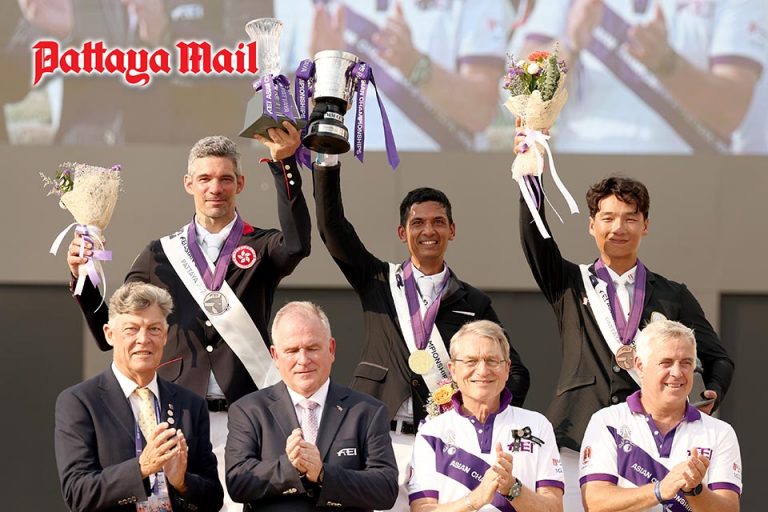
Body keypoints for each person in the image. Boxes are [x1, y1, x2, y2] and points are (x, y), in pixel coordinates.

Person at [67, 126, 311, 511]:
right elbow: (110, 330)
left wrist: (285, 166)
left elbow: (297, 245)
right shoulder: (160, 254)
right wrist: (84, 277)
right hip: (182, 415)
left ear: (240, 184)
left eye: (225, 179)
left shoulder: (262, 245)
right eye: (205, 179)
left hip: (248, 411)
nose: (215, 188)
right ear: (189, 184)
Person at [313, 154, 530, 509]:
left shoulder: (473, 301)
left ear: (452, 230)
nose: (428, 231)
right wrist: (326, 160)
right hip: (379, 439)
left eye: (438, 222)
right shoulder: (377, 281)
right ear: (403, 233)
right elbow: (332, 228)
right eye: (418, 223)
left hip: (444, 444)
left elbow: (515, 372)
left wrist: (482, 414)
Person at [516, 169, 734, 512]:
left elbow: (718, 357)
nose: (619, 228)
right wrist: (531, 175)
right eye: (608, 218)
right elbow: (535, 239)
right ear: (592, 225)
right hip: (576, 437)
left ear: (645, 225)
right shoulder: (569, 283)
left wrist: (714, 391)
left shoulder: (672, 294)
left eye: (630, 218)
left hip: (643, 443)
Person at [54, 282, 223, 512]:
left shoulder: (190, 404)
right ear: (110, 334)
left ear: (165, 336)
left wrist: (182, 483)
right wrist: (142, 468)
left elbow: (214, 498)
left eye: (154, 329)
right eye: (131, 329)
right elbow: (78, 493)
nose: (143, 339)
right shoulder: (80, 402)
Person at [514, 0, 767, 154]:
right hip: (587, 188)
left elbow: (730, 111)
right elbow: (524, 101)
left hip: (687, 187)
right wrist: (568, 45)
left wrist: (667, 64)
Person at [225, 301, 399, 511]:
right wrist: (290, 468)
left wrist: (323, 474)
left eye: (312, 348)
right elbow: (238, 483)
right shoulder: (248, 410)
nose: (303, 360)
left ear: (331, 349)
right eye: (291, 350)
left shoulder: (367, 411)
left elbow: (385, 489)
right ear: (275, 356)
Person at [276, 0, 511, 151]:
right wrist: (326, 78)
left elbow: (480, 112)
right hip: (342, 177)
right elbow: (288, 126)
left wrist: (415, 66)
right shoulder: (302, 6)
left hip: (442, 181)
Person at [580, 320, 742, 512]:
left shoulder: (720, 432)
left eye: (686, 363)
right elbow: (595, 503)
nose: (677, 373)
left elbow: (729, 509)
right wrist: (659, 490)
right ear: (640, 365)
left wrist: (695, 490)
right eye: (666, 363)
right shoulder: (607, 422)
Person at [407, 320, 563, 512]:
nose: (482, 371)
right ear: (453, 370)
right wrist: (475, 499)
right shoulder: (431, 432)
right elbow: (422, 509)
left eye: (492, 361)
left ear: (507, 369)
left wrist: (512, 489)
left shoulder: (537, 425)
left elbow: (554, 508)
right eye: (470, 361)